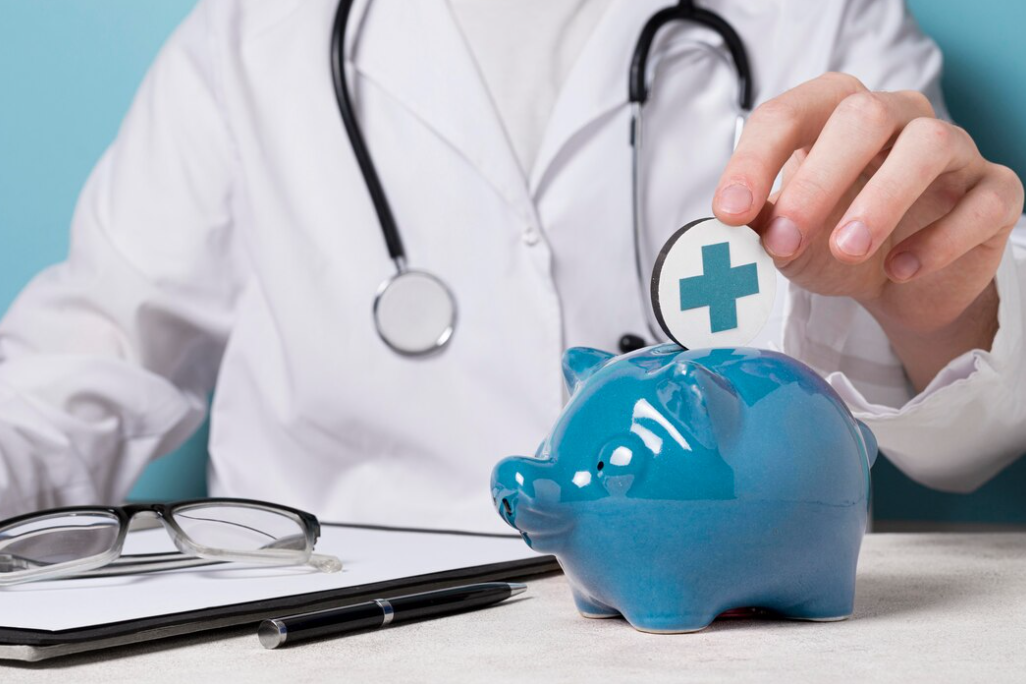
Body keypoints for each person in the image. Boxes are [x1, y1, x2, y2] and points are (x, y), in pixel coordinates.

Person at [0, 0, 1023, 532]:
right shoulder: (253, 35)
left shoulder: (818, 20)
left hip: (702, 636)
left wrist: (931, 301)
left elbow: (961, 429)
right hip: (332, 635)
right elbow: (86, 358)